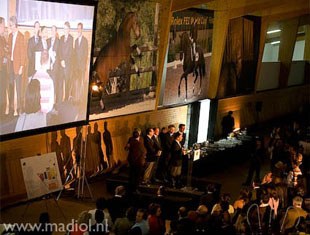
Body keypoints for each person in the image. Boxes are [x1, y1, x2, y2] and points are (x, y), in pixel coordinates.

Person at [8, 16, 26, 115]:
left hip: (18, 66)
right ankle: (11, 108)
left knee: (19, 88)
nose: (10, 27)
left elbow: (23, 53)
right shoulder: (10, 36)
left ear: (14, 25)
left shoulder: (21, 36)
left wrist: (21, 67)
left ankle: (19, 108)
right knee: (11, 86)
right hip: (10, 65)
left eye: (10, 25)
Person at [126, 130, 146, 194]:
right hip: (137, 162)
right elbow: (142, 151)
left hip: (134, 161)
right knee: (136, 176)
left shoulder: (139, 140)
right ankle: (135, 189)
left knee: (133, 176)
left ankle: (132, 188)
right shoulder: (135, 142)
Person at [73, 22, 88, 101]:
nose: (78, 30)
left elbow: (85, 54)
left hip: (82, 66)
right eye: (77, 28)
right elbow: (74, 54)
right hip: (76, 67)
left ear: (82, 29)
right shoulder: (75, 41)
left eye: (79, 28)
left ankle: (81, 100)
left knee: (81, 83)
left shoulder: (85, 41)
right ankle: (76, 99)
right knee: (76, 83)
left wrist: (84, 66)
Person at [59, 21, 73, 101]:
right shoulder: (61, 38)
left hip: (67, 65)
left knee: (67, 83)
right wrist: (61, 60)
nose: (65, 30)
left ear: (69, 29)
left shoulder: (71, 38)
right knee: (61, 83)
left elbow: (70, 52)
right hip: (61, 64)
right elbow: (60, 51)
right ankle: (60, 100)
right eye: (64, 28)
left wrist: (65, 61)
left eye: (66, 28)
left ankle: (66, 99)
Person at [47, 25, 60, 103]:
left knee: (54, 85)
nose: (52, 32)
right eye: (51, 30)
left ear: (56, 32)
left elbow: (60, 54)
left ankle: (53, 102)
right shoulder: (47, 41)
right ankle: (48, 102)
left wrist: (56, 55)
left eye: (54, 31)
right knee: (48, 85)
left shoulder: (59, 41)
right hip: (48, 68)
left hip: (55, 68)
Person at [0, 17, 8, 116]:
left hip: (3, 69)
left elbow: (6, 49)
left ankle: (2, 113)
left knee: (2, 91)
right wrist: (3, 59)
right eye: (3, 25)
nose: (4, 27)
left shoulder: (2, 38)